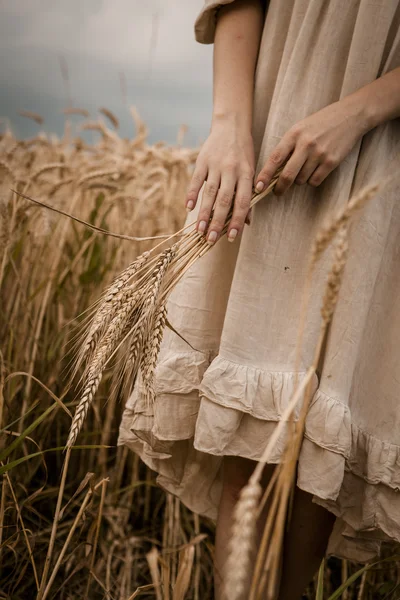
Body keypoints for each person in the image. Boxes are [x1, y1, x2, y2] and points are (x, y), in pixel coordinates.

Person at [118, 1, 400, 597]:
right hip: (277, 123)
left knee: (324, 418)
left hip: (383, 147)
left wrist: (360, 110)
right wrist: (228, 123)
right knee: (256, 418)